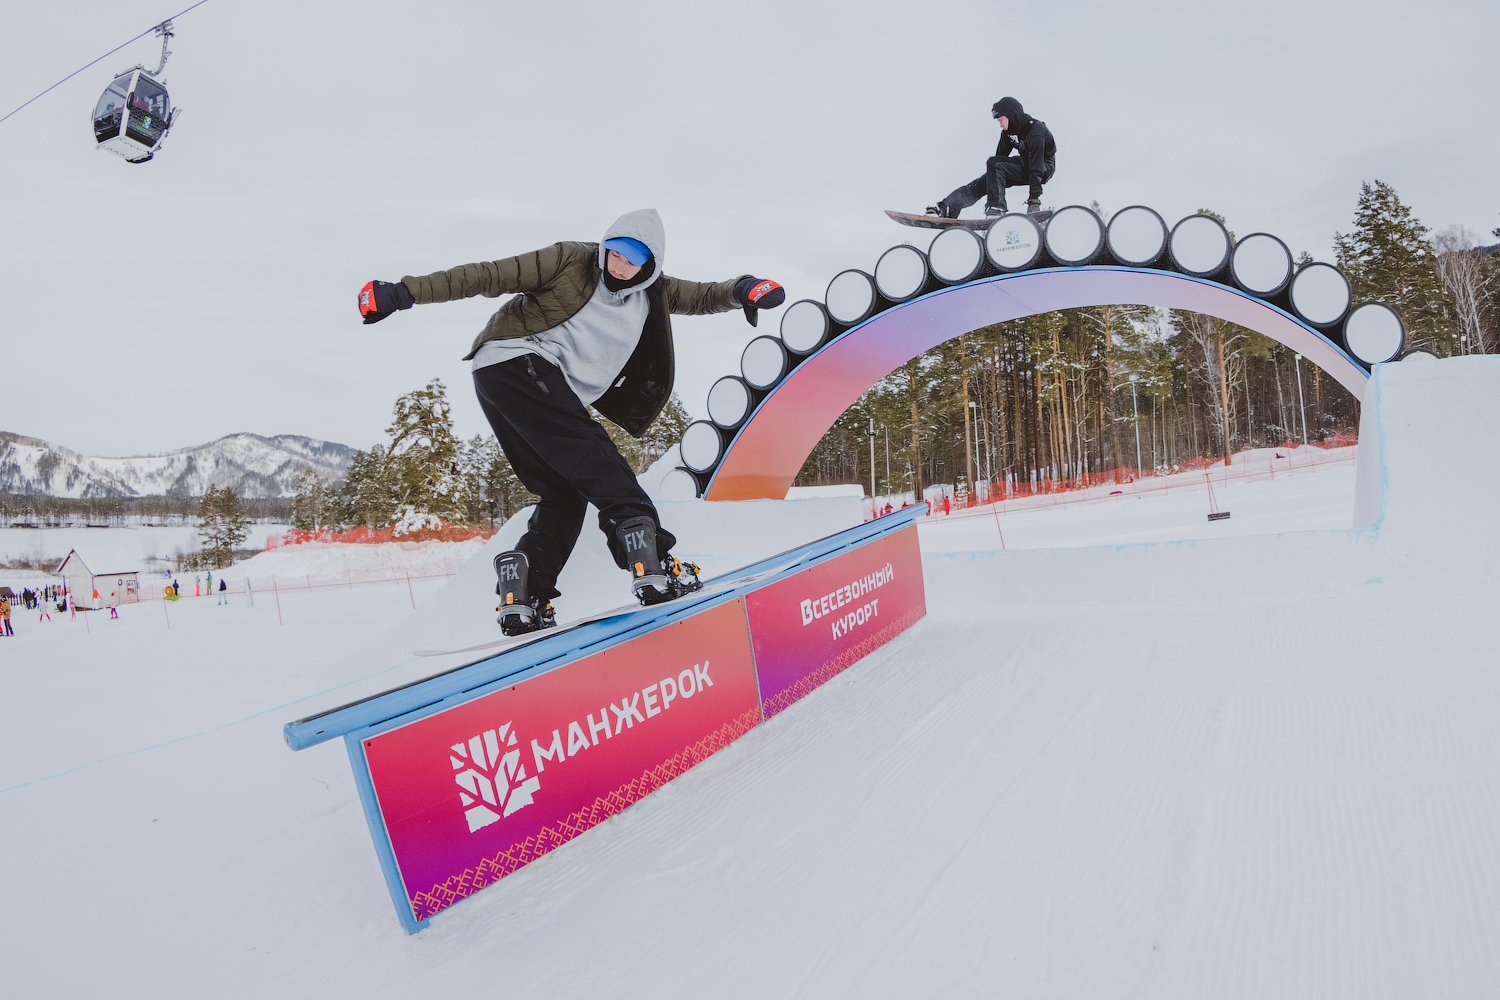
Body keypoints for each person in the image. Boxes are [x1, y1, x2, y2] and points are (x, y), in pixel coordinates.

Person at [359, 208, 786, 635]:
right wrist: (404, 292)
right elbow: (487, 275)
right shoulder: (568, 259)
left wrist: (744, 289)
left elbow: (705, 296)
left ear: (650, 264)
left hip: (509, 382)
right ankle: (654, 565)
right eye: (613, 253)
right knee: (602, 464)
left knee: (563, 494)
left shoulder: (655, 292)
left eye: (632, 260)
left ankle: (525, 588)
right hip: (518, 362)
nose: (619, 266)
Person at [927, 96, 1056, 220]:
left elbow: (1036, 167)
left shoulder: (1035, 132)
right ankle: (946, 208)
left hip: (1043, 167)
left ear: (1011, 116)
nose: (1000, 125)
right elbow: (998, 160)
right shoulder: (1008, 133)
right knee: (986, 179)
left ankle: (997, 208)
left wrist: (1034, 201)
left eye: (1001, 120)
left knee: (994, 165)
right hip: (1026, 166)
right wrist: (991, 179)